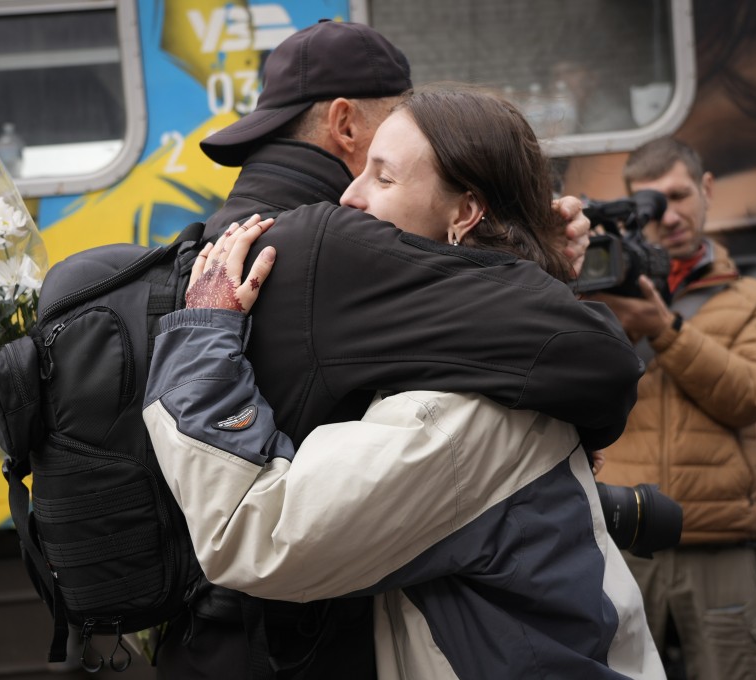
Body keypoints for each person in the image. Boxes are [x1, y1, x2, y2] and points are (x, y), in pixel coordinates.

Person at [155, 20, 645, 680]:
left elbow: (251, 532)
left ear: (465, 213)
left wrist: (201, 334)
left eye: (381, 178)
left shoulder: (457, 417)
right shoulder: (485, 353)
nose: (349, 195)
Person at [588, 137, 756, 680]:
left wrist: (664, 330)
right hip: (622, 534)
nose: (670, 216)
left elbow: (749, 395)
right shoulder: (597, 302)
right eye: (653, 203)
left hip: (719, 540)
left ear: (706, 190)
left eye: (680, 196)